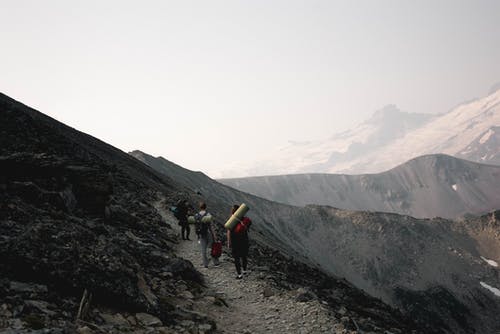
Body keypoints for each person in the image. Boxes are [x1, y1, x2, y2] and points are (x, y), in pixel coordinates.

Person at [227, 204, 251, 279]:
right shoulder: (244, 219)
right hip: (244, 240)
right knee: (244, 256)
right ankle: (244, 270)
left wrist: (229, 242)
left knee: (236, 258)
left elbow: (229, 232)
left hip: (235, 240)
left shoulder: (232, 221)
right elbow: (248, 227)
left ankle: (239, 274)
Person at [195, 202, 219, 268]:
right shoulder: (208, 214)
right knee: (211, 247)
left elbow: (196, 225)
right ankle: (215, 262)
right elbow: (211, 226)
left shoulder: (196, 215)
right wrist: (214, 236)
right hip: (208, 233)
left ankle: (205, 264)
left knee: (203, 249)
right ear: (206, 207)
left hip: (201, 234)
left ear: (199, 207)